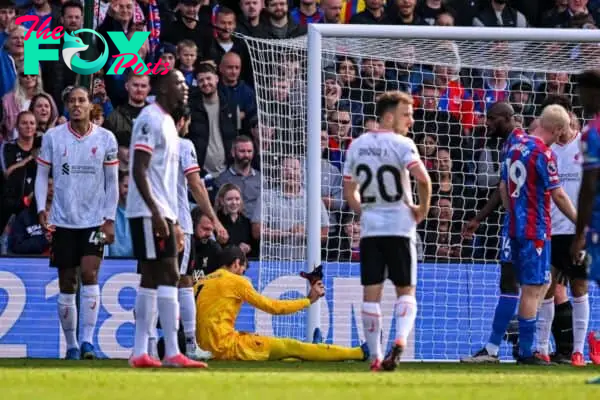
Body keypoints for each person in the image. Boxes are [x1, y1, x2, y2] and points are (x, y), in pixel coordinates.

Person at [342, 91, 432, 371]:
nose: (411, 121)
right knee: (406, 290)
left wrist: (362, 210)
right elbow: (424, 180)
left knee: (371, 294)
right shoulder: (402, 144)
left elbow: (348, 187)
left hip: (371, 230)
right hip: (400, 228)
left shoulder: (357, 145)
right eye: (407, 115)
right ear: (389, 116)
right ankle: (401, 339)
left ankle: (376, 357)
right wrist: (422, 209)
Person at [126, 69, 206, 369]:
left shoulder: (169, 124)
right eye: (179, 83)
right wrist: (159, 214)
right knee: (169, 274)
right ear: (162, 87)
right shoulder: (150, 119)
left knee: (152, 277)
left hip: (163, 212)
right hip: (149, 211)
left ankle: (141, 352)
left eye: (187, 82)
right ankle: (171, 351)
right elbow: (138, 170)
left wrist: (172, 218)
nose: (186, 87)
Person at [34, 87, 119, 360]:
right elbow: (41, 175)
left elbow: (113, 182)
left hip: (94, 220)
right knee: (67, 281)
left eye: (81, 100)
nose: (76, 105)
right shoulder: (53, 137)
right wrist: (40, 208)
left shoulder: (106, 138)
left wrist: (109, 218)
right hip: (63, 219)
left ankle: (87, 342)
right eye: (71, 101)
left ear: (90, 104)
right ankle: (70, 345)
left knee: (90, 274)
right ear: (67, 106)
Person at [499, 104, 577, 365]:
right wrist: (581, 221)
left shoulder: (515, 145)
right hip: (536, 230)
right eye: (560, 133)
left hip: (516, 228)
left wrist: (513, 214)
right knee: (535, 290)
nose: (559, 138)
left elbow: (503, 187)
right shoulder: (543, 154)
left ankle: (529, 347)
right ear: (555, 129)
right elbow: (558, 194)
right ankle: (526, 351)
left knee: (540, 286)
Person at [195, 245, 368, 362]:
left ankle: (316, 349)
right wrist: (308, 300)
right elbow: (273, 308)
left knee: (283, 352)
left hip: (206, 348)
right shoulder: (235, 281)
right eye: (242, 269)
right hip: (227, 347)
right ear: (236, 263)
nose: (242, 274)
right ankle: (359, 353)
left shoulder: (200, 282)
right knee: (290, 346)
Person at [460, 102, 526, 363]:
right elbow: (502, 187)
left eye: (490, 118)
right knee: (517, 284)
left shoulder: (521, 145)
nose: (486, 123)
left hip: (524, 225)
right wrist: (478, 218)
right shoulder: (509, 145)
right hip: (518, 224)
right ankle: (505, 348)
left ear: (505, 118)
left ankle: (520, 347)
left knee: (529, 286)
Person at [171, 106, 226, 361]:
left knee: (150, 282)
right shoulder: (184, 146)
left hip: (151, 221)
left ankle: (147, 346)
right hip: (178, 222)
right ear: (183, 121)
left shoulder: (146, 143)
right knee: (183, 281)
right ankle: (189, 344)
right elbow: (195, 184)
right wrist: (214, 219)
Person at [536, 108, 588, 367]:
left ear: (564, 125)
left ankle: (578, 351)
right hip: (549, 229)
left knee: (579, 288)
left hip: (577, 232)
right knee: (546, 288)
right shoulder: (546, 150)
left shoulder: (584, 144)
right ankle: (542, 348)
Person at [572, 69, 600, 367]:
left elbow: (589, 184)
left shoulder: (594, 132)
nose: (580, 99)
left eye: (582, 93)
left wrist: (579, 233)